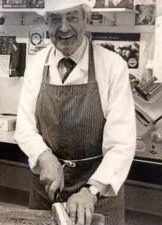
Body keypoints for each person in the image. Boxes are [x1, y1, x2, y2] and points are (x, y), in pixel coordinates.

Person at [14, 1, 136, 225]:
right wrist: (45, 156)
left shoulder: (112, 66)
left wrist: (91, 190)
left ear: (86, 19)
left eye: (72, 17)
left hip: (98, 194)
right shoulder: (36, 64)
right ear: (46, 22)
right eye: (55, 19)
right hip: (47, 191)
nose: (63, 27)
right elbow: (25, 128)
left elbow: (121, 143)